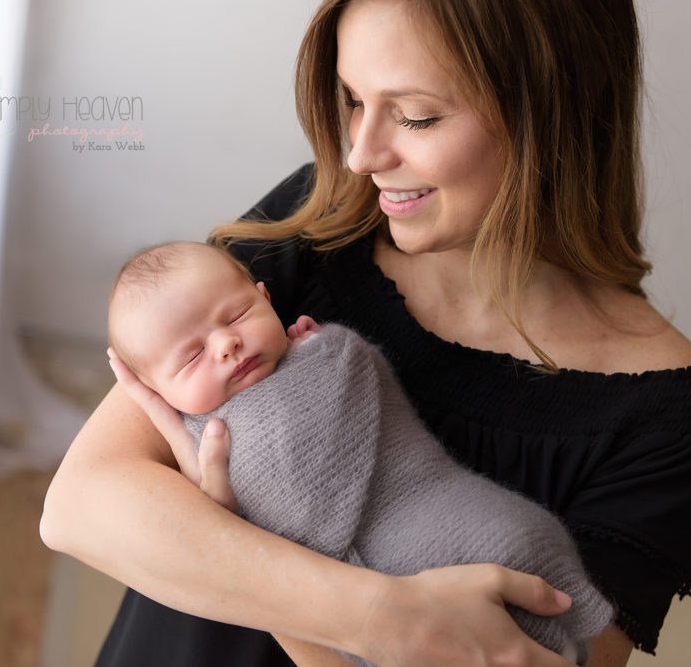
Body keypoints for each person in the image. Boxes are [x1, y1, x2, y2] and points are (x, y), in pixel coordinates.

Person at [40, 0, 691, 665]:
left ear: (554, 111)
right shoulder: (317, 218)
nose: (360, 155)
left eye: (416, 117)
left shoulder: (665, 424)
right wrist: (381, 618)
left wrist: (234, 530)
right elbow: (80, 507)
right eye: (353, 100)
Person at [104, 240, 617, 665]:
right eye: (192, 356)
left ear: (266, 298)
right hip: (390, 573)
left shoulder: (320, 350)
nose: (225, 345)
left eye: (238, 315)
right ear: (158, 391)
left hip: (446, 503)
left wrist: (320, 352)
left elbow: (366, 389)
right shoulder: (200, 433)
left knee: (509, 549)